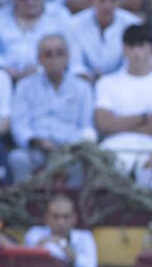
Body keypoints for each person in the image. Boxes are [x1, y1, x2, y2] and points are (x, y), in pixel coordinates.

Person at [8, 34, 96, 181]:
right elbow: (19, 124)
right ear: (39, 59)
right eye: (48, 54)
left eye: (59, 54)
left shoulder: (82, 88)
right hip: (36, 148)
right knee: (17, 158)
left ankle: (74, 203)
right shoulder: (25, 86)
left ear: (67, 57)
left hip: (70, 150)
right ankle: (22, 202)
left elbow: (86, 126)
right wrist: (36, 141)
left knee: (82, 162)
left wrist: (69, 146)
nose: (54, 60)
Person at [94, 25, 152, 168]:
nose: (136, 52)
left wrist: (118, 123)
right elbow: (104, 124)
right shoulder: (106, 83)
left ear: (150, 48)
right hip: (115, 146)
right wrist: (144, 118)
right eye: (131, 46)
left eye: (141, 46)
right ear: (124, 49)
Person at [68, 0, 142, 83]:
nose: (107, 6)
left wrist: (109, 81)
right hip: (85, 82)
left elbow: (130, 63)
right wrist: (89, 77)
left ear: (118, 2)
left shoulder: (132, 24)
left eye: (112, 0)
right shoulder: (74, 24)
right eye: (102, 0)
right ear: (92, 1)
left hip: (121, 83)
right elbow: (75, 64)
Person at [24, 194, 98, 267]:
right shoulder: (34, 233)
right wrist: (66, 250)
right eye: (55, 217)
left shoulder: (85, 237)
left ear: (74, 218)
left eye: (66, 217)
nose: (60, 222)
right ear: (46, 218)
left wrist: (60, 244)